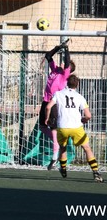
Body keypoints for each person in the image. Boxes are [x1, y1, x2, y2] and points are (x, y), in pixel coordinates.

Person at [45, 74, 103, 182]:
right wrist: (84, 120)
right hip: (76, 127)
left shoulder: (58, 94)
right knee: (87, 148)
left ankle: (63, 168)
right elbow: (88, 115)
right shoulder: (80, 97)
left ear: (67, 83)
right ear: (77, 85)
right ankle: (96, 173)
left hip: (62, 127)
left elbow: (48, 107)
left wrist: (47, 119)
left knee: (63, 148)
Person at [38, 40, 75, 170]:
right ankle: (57, 141)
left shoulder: (65, 74)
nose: (62, 62)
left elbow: (67, 62)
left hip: (54, 104)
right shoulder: (54, 69)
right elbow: (48, 56)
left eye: (65, 63)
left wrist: (66, 49)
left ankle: (54, 159)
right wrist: (57, 47)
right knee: (42, 127)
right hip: (45, 101)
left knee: (53, 131)